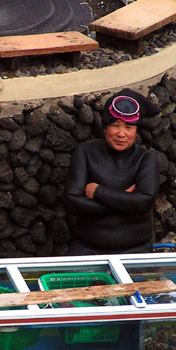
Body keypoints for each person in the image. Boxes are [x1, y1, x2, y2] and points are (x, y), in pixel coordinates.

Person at [63, 88, 161, 255]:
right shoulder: (85, 153)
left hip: (135, 250)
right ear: (104, 127)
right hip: (88, 248)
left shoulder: (146, 159)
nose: (121, 134)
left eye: (129, 127)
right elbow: (71, 202)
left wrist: (99, 192)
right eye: (115, 126)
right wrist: (125, 200)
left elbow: (144, 203)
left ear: (136, 131)